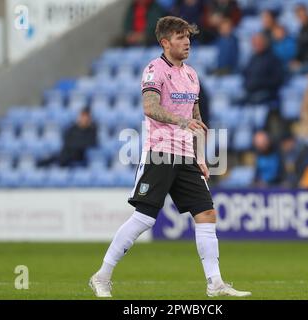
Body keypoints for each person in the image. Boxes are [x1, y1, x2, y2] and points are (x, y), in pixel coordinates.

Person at [89, 16, 251, 298]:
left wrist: (200, 155)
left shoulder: (191, 74)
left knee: (207, 213)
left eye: (187, 36)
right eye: (179, 36)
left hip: (186, 155)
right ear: (165, 42)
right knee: (145, 218)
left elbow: (196, 118)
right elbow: (150, 108)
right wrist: (181, 122)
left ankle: (215, 283)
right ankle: (102, 276)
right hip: (160, 152)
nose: (186, 41)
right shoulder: (154, 70)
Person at [242, 33, 283, 105]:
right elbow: (246, 74)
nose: (256, 45)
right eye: (255, 43)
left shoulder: (272, 59)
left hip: (266, 93)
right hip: (250, 92)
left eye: (259, 42)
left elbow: (278, 80)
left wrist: (259, 83)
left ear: (265, 43)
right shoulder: (253, 58)